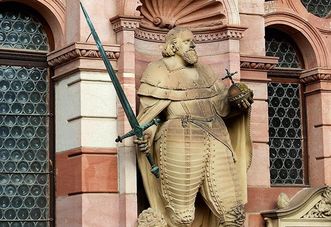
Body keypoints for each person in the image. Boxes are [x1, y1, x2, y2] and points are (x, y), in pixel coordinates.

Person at [135, 27, 253, 227]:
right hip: (179, 138)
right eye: (187, 41)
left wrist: (238, 97)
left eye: (193, 41)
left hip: (216, 136)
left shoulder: (205, 71)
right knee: (181, 216)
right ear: (173, 46)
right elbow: (149, 114)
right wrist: (145, 136)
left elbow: (221, 106)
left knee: (234, 213)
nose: (193, 44)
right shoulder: (157, 70)